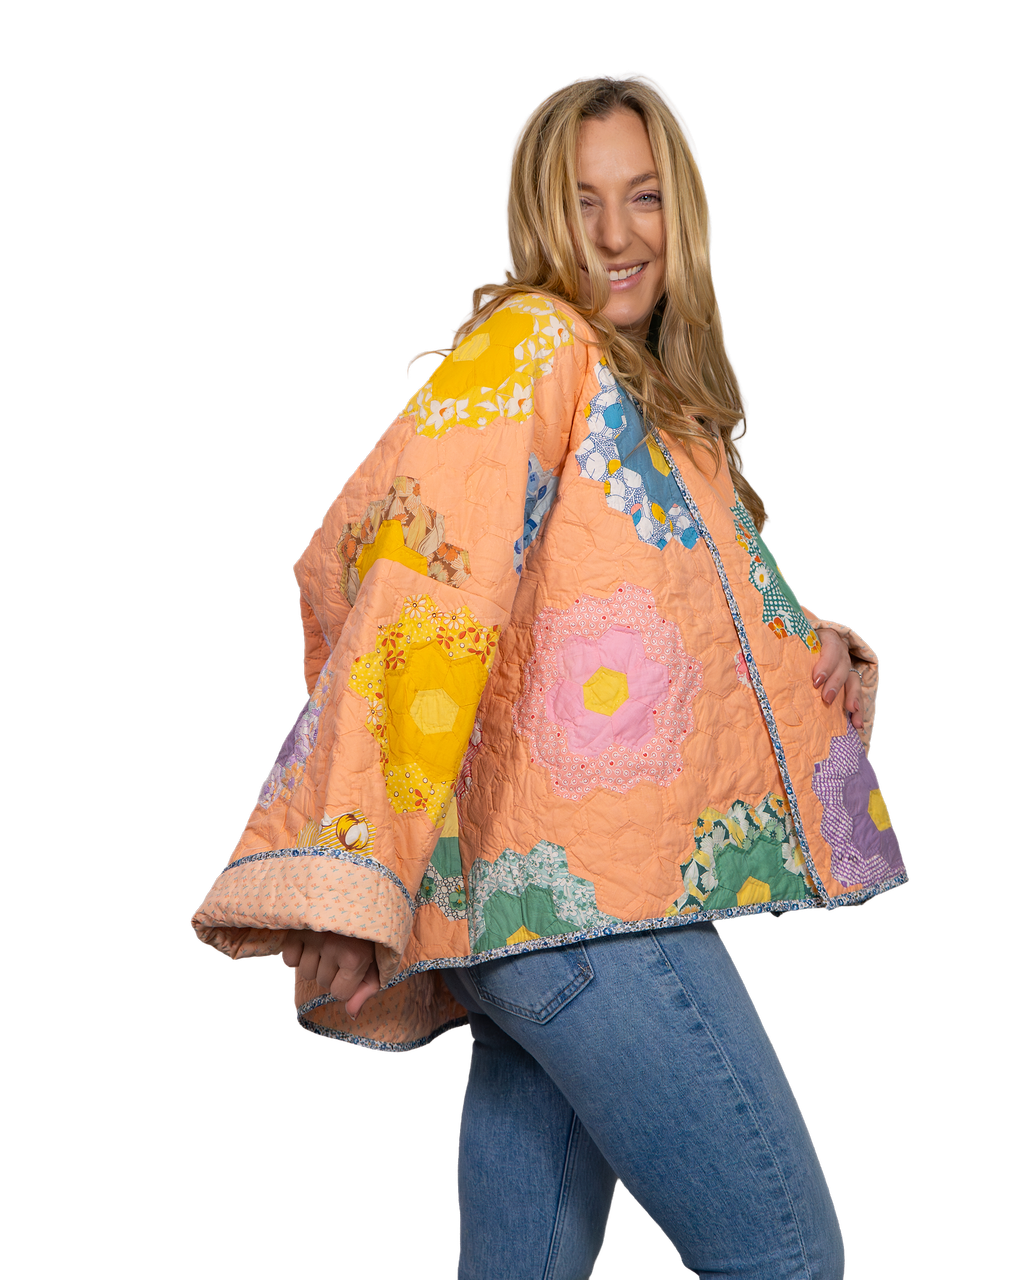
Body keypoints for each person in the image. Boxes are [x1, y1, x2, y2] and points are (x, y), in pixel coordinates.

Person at [192, 72, 907, 1278]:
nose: (618, 234)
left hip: (532, 917)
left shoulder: (646, 398)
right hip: (584, 913)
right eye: (583, 201)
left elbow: (638, 616)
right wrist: (356, 875)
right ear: (538, 214)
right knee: (785, 1257)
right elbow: (425, 594)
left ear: (684, 212)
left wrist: (818, 642)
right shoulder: (531, 346)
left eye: (645, 196)